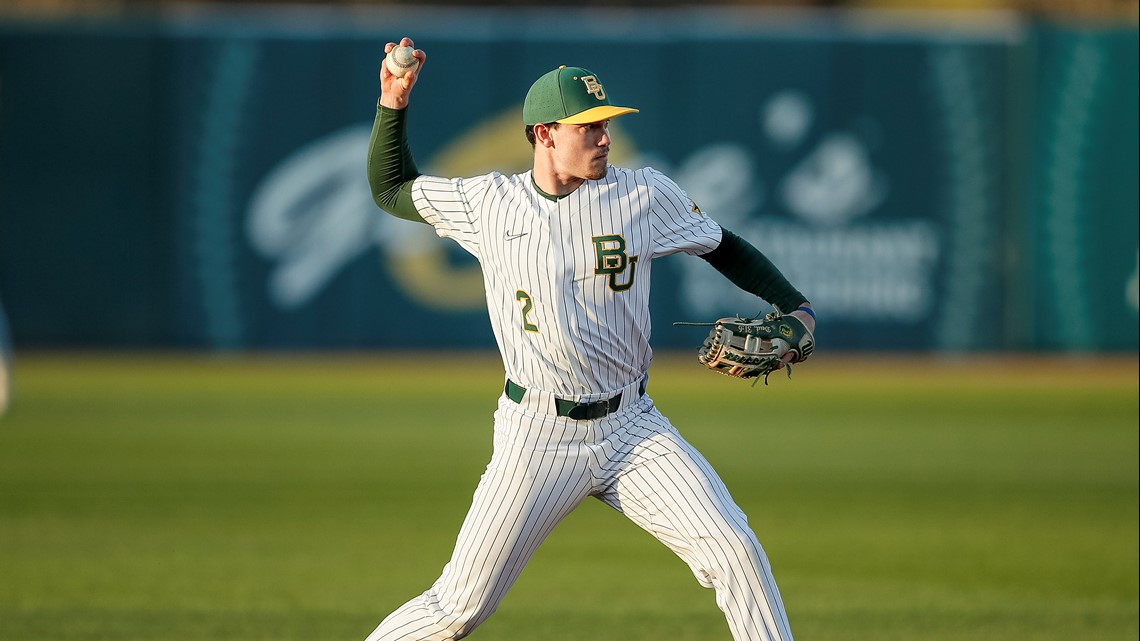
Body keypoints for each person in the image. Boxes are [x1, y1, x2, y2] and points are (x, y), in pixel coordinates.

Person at [365, 36, 816, 641]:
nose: (604, 137)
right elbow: (393, 189)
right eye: (588, 127)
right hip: (537, 435)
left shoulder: (642, 194)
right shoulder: (490, 204)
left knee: (735, 550)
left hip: (634, 425)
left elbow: (721, 243)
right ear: (544, 134)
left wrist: (795, 307)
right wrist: (392, 105)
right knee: (459, 606)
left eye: (605, 123)